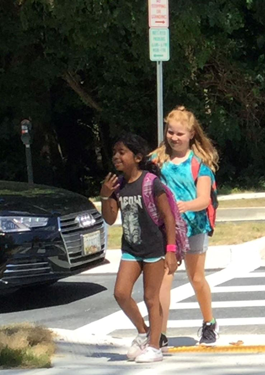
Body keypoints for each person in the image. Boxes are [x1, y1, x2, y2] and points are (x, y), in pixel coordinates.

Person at [100, 134, 178, 363]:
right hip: (131, 248)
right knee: (121, 293)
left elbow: (168, 217)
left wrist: (171, 250)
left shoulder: (151, 182)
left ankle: (155, 347)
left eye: (122, 152)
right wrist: (105, 196)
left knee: (151, 298)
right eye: (114, 152)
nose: (116, 156)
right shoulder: (117, 186)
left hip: (154, 248)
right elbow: (111, 218)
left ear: (137, 157)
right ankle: (143, 332)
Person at [151, 106, 220, 347]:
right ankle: (159, 333)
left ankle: (209, 322)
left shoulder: (199, 163)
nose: (174, 138)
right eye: (171, 132)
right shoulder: (157, 160)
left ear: (191, 134)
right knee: (164, 280)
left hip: (195, 227)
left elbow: (203, 200)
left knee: (196, 277)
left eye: (180, 134)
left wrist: (183, 206)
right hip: (168, 230)